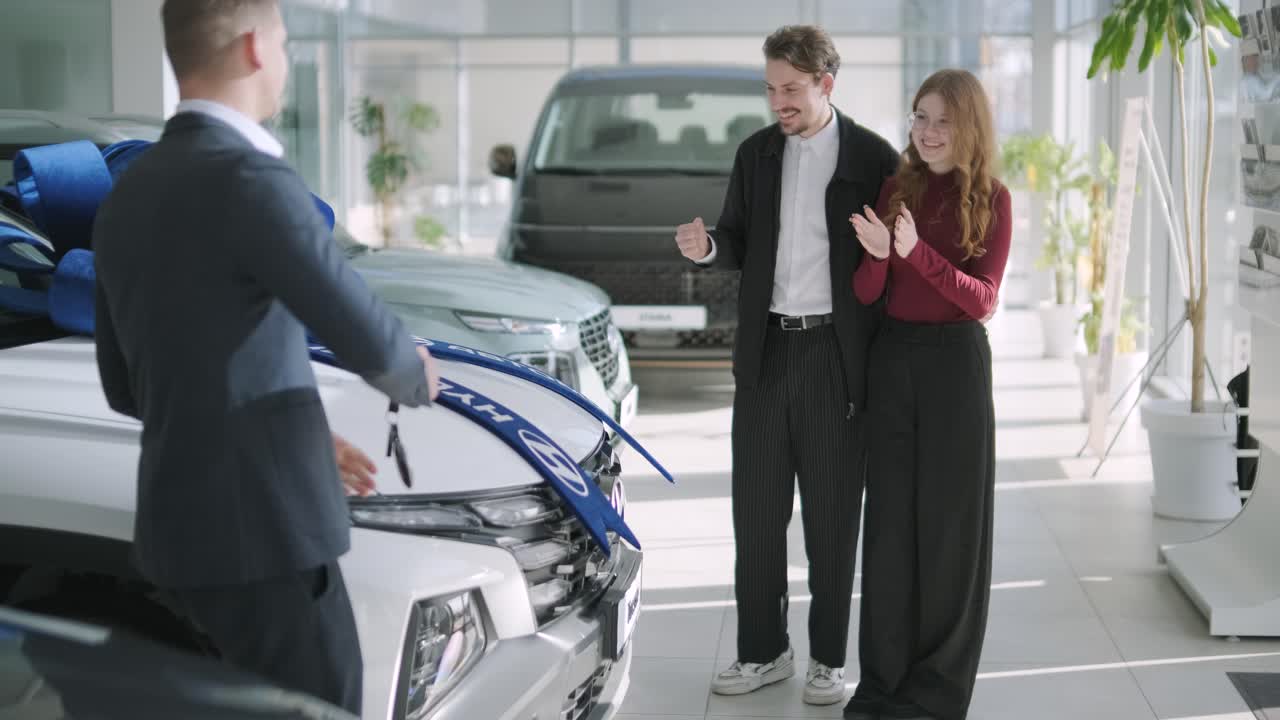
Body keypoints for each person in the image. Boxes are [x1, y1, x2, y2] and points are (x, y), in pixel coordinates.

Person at [91, 0, 440, 714]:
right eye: (283, 40)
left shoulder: (126, 194)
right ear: (254, 46)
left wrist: (303, 435)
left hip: (176, 544)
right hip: (269, 542)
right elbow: (377, 345)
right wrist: (417, 372)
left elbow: (127, 387)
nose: (283, 59)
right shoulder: (251, 180)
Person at [674, 25, 899, 707]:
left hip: (835, 357)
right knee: (758, 512)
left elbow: (888, 268)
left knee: (832, 516)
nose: (779, 102)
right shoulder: (758, 153)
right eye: (772, 89)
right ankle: (762, 652)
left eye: (792, 90)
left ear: (826, 82)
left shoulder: (873, 158)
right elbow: (738, 236)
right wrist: (708, 246)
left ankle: (829, 657)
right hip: (766, 354)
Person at [845, 68, 1012, 720]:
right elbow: (866, 293)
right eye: (920, 117)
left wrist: (914, 253)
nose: (929, 131)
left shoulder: (993, 198)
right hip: (894, 359)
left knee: (950, 533)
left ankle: (936, 694)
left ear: (967, 125)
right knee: (888, 531)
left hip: (955, 369)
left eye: (942, 119)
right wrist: (881, 256)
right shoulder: (895, 187)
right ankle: (881, 686)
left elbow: (984, 301)